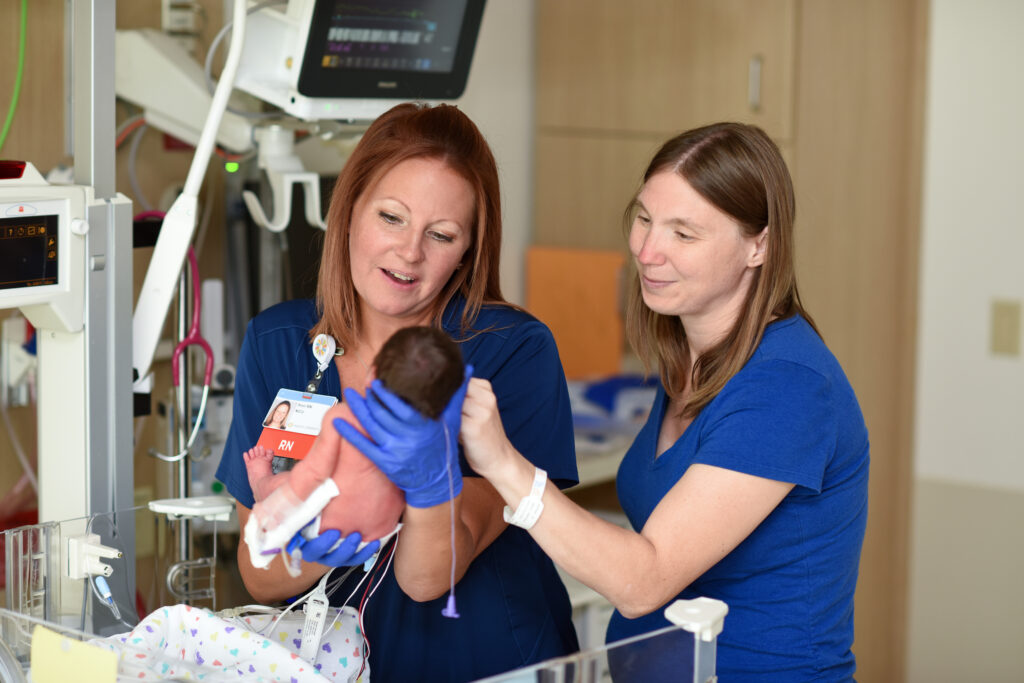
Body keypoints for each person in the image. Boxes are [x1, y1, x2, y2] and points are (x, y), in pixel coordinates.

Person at [344, 122, 870, 681]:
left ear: (758, 245)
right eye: (644, 218)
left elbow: (643, 581)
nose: (647, 251)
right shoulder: (690, 363)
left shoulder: (785, 387)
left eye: (683, 234)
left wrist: (501, 461)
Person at [214, 102, 579, 681]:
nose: (410, 253)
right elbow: (259, 575)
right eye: (391, 217)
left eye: (441, 234)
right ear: (350, 210)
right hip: (332, 666)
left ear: (467, 251)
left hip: (483, 664)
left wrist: (427, 479)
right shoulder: (279, 342)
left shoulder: (511, 352)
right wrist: (308, 541)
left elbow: (427, 576)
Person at [242, 326, 464, 563]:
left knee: (288, 480)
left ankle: (260, 481)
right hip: (380, 535)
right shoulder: (427, 441)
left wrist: (280, 503)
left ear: (372, 374)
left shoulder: (343, 417)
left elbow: (313, 473)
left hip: (325, 526)